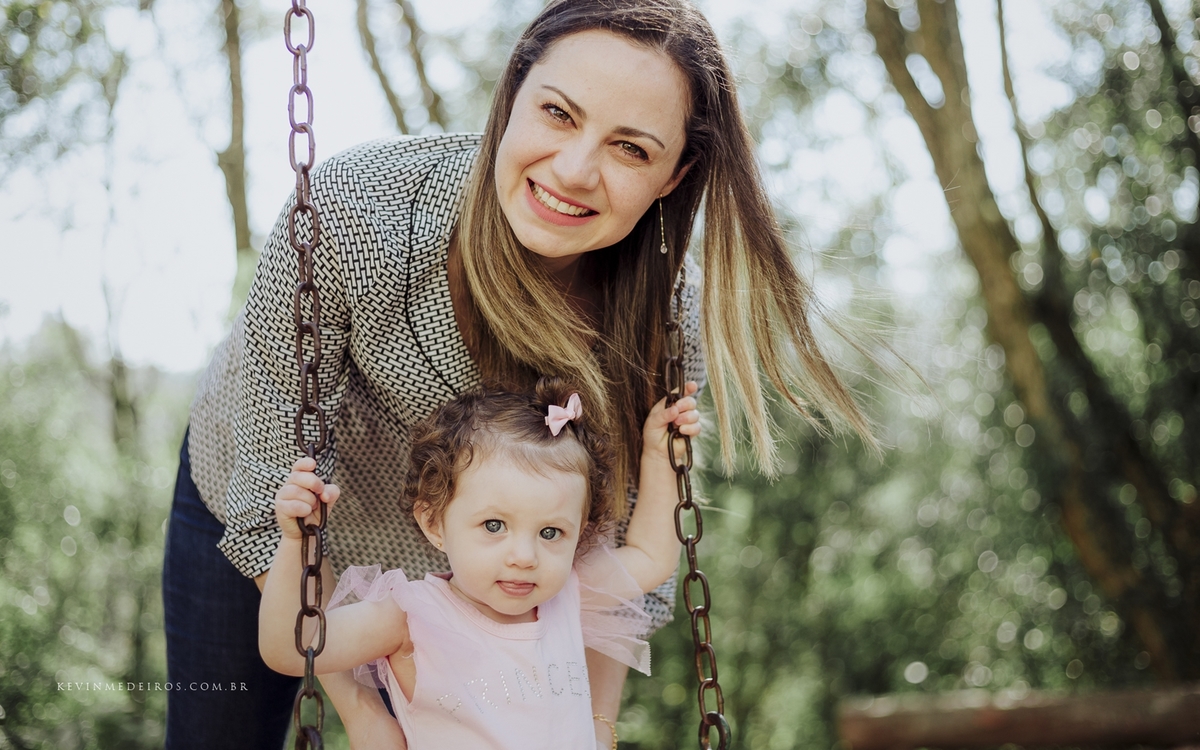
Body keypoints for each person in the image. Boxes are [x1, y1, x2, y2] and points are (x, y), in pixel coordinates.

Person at [162, 0, 874, 748]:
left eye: (631, 149)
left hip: (500, 571)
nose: (574, 170)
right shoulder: (354, 214)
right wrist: (369, 717)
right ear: (512, 94)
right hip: (268, 528)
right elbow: (271, 494)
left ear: (675, 174)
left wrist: (593, 729)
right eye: (558, 113)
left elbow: (627, 569)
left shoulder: (661, 318)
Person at [260, 379, 701, 749]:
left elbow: (651, 557)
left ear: (579, 532)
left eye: (551, 533)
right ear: (434, 523)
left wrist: (658, 455)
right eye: (494, 525)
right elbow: (291, 647)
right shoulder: (411, 617)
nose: (524, 557)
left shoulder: (567, 592)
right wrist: (296, 543)